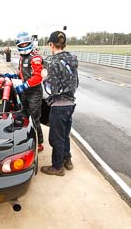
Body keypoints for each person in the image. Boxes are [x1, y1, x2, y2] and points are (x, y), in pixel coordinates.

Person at [40, 31, 79, 176]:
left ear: (51, 45)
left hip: (58, 105)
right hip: (70, 104)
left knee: (56, 138)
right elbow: (76, 82)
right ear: (64, 44)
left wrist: (45, 77)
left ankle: (57, 167)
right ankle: (67, 160)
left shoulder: (54, 63)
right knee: (65, 134)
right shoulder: (72, 59)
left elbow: (51, 89)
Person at [5, 31, 45, 152]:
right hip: (24, 91)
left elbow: (38, 77)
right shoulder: (22, 57)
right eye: (21, 45)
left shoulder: (35, 57)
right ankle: (26, 138)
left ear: (30, 43)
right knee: (23, 115)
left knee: (34, 118)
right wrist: (13, 76)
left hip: (34, 92)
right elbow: (22, 74)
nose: (23, 46)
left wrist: (25, 85)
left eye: (25, 44)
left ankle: (39, 143)